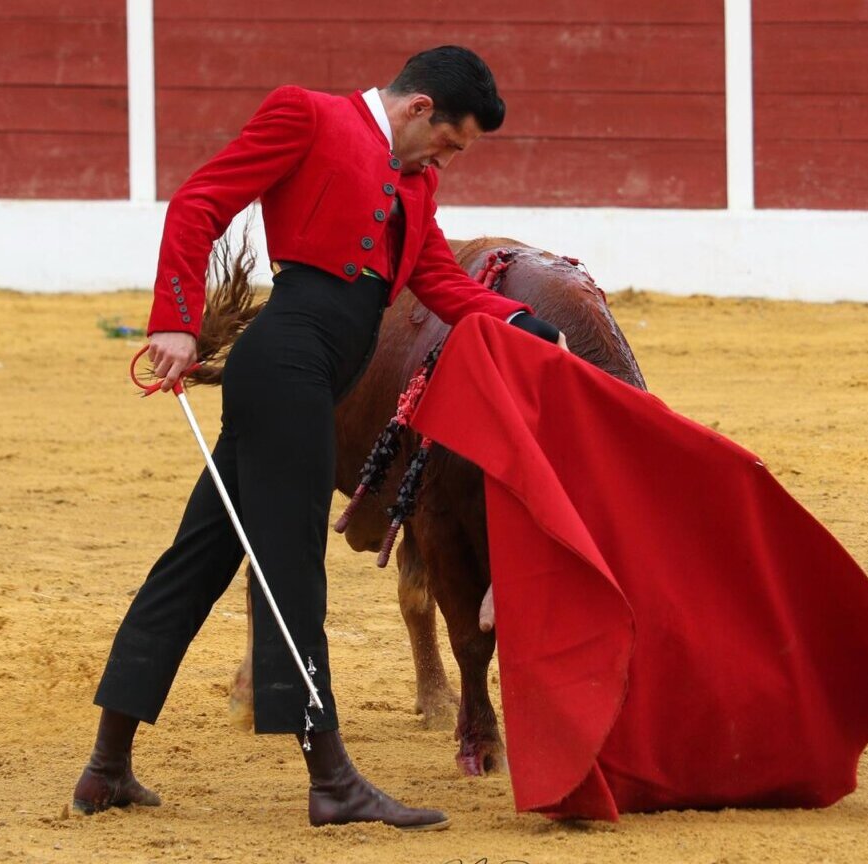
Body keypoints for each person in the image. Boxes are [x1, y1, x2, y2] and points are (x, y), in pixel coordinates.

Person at [71, 46, 565, 831]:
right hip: (286, 366)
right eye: (448, 142)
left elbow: (436, 279)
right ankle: (331, 779)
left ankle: (105, 767)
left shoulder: (417, 182)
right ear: (418, 109)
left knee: (197, 560)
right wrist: (173, 318)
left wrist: (524, 322)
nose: (447, 159)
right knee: (290, 568)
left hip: (311, 383)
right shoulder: (306, 114)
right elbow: (198, 202)